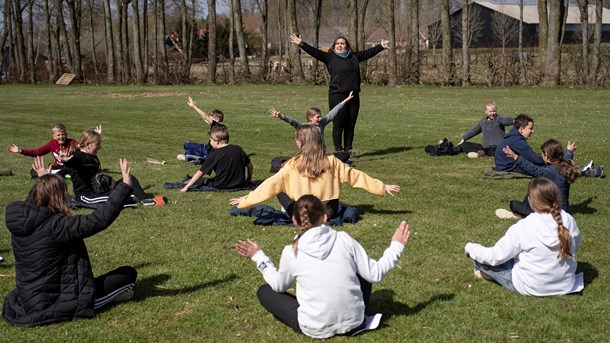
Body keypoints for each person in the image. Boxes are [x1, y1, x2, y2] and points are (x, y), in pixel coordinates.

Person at [235, 194, 411, 338]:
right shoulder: (344, 239)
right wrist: (396, 246)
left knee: (264, 291)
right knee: (361, 267)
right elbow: (375, 273)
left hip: (315, 327)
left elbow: (279, 286)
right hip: (355, 322)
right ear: (325, 217)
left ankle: (322, 311)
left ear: (294, 220)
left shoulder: (291, 251)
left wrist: (259, 257)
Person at [2, 157, 138, 326]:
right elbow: (99, 219)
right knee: (128, 275)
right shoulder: (57, 226)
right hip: (58, 301)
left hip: (28, 297)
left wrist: (44, 180)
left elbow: (39, 196)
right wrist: (124, 186)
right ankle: (109, 298)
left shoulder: (23, 223)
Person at [229, 124, 400, 217]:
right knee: (280, 184)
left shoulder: (291, 164)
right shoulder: (333, 161)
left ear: (300, 142)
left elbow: (268, 187)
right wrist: (382, 187)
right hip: (329, 212)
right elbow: (356, 176)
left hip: (303, 214)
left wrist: (245, 201)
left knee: (279, 187)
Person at [465, 177, 582, 296]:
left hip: (531, 287)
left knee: (482, 261)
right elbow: (576, 245)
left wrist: (471, 248)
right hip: (566, 284)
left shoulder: (524, 226)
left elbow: (495, 256)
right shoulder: (568, 219)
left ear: (531, 201)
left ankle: (488, 273)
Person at [290, 33, 389, 156]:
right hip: (337, 95)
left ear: (346, 46)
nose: (340, 45)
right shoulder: (330, 57)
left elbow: (367, 53)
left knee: (350, 125)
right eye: (337, 43)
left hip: (353, 95)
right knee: (338, 124)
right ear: (334, 46)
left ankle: (348, 151)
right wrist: (301, 44)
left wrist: (380, 46)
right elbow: (314, 52)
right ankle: (339, 151)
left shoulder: (353, 57)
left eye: (342, 43)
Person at [61, 129, 166, 207]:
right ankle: (136, 199)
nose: (100, 147)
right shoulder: (78, 156)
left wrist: (97, 135)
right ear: (88, 144)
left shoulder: (91, 155)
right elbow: (72, 162)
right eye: (98, 144)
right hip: (88, 196)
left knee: (130, 179)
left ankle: (145, 199)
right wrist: (66, 160)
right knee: (118, 199)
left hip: (101, 190)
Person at [496, 139, 581, 218]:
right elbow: (567, 155)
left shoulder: (550, 172)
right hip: (565, 211)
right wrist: (570, 150)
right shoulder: (565, 164)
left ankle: (519, 215)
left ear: (546, 155)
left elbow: (533, 169)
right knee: (532, 193)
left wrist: (516, 157)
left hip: (551, 214)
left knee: (514, 204)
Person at [268, 91, 354, 162]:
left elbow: (332, 114)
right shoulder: (303, 127)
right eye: (317, 117)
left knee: (344, 155)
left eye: (320, 116)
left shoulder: (321, 124)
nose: (320, 118)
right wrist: (281, 116)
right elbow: (292, 121)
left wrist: (345, 100)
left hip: (320, 154)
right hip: (308, 155)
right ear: (310, 118)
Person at [181, 126, 253, 192]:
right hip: (240, 184)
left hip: (221, 185)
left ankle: (188, 182)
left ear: (217, 142)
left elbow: (200, 173)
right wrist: (248, 180)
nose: (210, 143)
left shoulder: (214, 154)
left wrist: (186, 187)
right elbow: (250, 166)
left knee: (197, 181)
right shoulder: (238, 149)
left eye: (211, 140)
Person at [7, 123, 80, 178]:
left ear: (66, 134)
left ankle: (54, 176)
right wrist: (20, 150)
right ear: (54, 136)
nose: (61, 137)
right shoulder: (52, 144)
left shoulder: (72, 143)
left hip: (68, 167)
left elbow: (82, 152)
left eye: (63, 134)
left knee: (68, 168)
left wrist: (77, 148)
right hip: (57, 168)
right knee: (33, 171)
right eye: (58, 135)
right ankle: (55, 175)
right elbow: (37, 152)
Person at [177, 97, 226, 164]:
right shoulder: (217, 126)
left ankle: (202, 159)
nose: (208, 119)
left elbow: (205, 116)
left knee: (188, 152)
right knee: (186, 145)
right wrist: (197, 107)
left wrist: (194, 107)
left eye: (210, 118)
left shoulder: (218, 126)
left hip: (210, 152)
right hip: (206, 147)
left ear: (217, 119)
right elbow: (204, 117)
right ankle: (198, 157)